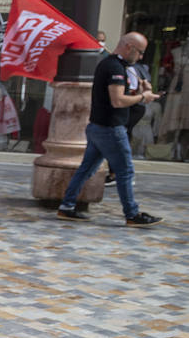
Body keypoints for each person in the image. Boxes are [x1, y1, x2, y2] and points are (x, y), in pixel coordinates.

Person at [56, 32, 163, 227]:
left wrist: (142, 91)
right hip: (110, 129)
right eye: (140, 52)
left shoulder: (115, 65)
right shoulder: (114, 67)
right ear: (129, 46)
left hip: (98, 127)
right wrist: (143, 98)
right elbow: (118, 100)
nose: (140, 57)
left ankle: (67, 207)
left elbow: (119, 96)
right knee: (125, 172)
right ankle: (132, 214)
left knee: (86, 169)